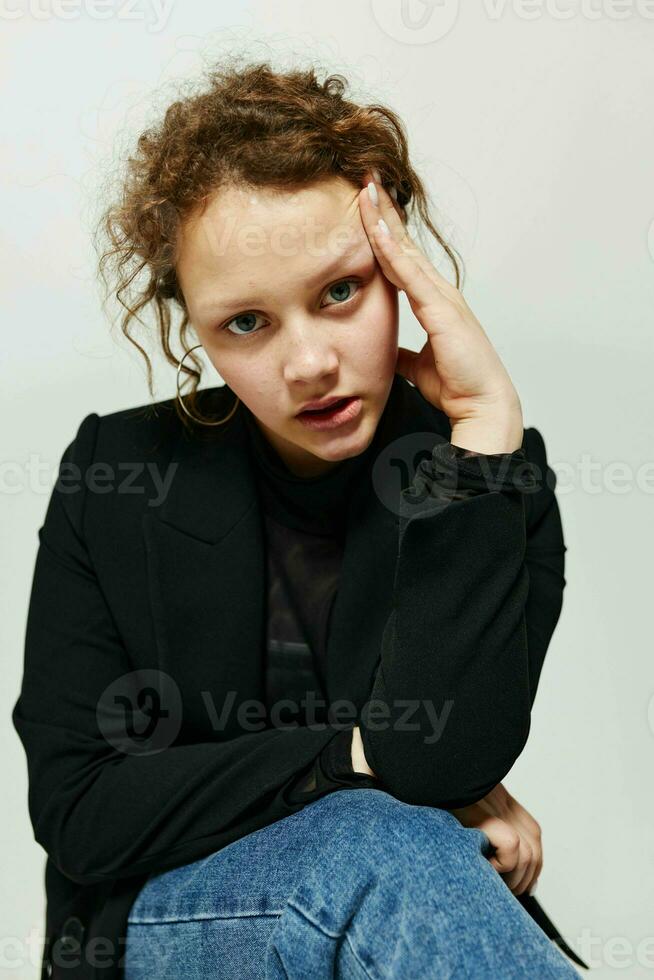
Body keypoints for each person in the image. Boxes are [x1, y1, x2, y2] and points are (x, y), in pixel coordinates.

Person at [12, 59, 587, 978]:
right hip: (162, 918)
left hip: (392, 902)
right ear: (190, 326)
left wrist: (480, 435)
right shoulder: (116, 473)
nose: (310, 363)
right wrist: (356, 756)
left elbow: (443, 761)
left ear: (401, 264)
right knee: (375, 840)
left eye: (341, 291)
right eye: (246, 323)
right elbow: (81, 811)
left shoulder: (485, 474)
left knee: (388, 844)